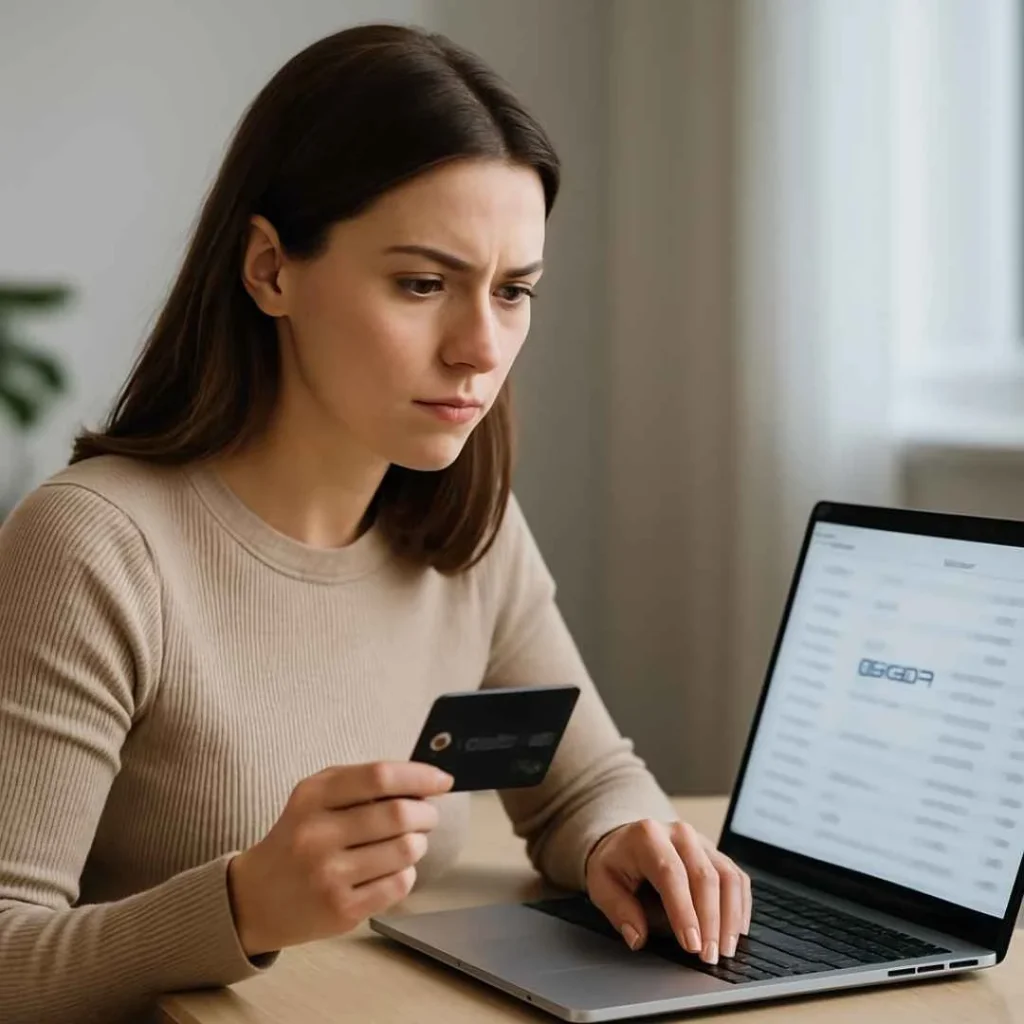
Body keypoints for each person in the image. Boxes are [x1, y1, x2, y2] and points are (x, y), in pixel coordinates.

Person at [0, 23, 751, 1024]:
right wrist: (240, 904)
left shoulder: (465, 528)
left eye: (514, 291)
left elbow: (582, 783)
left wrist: (628, 841)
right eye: (423, 284)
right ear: (270, 269)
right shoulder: (93, 548)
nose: (479, 348)